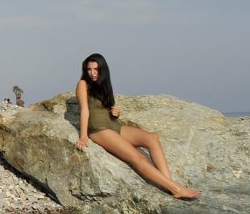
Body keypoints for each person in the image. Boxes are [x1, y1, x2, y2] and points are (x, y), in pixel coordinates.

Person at [74, 53, 200, 200]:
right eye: (89, 69)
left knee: (151, 138)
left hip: (113, 125)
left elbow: (105, 108)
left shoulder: (102, 85)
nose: (92, 73)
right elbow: (84, 110)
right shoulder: (83, 84)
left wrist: (115, 112)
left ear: (103, 70)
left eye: (96, 69)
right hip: (99, 130)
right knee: (138, 157)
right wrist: (83, 136)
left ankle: (170, 184)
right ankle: (176, 189)